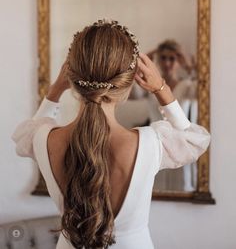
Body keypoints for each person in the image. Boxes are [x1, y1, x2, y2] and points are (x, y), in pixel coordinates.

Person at [11, 19, 211, 249]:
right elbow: (194, 140)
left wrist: (55, 90)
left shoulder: (42, 138)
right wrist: (161, 89)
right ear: (127, 85)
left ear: (71, 78)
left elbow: (25, 137)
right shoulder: (150, 143)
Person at [130, 39, 198, 191]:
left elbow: (205, 93)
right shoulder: (148, 86)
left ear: (179, 60)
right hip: (155, 145)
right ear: (157, 60)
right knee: (155, 188)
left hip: (181, 147)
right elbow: (132, 94)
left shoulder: (187, 86)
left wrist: (189, 68)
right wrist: (142, 63)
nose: (167, 63)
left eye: (172, 58)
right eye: (163, 58)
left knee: (182, 186)